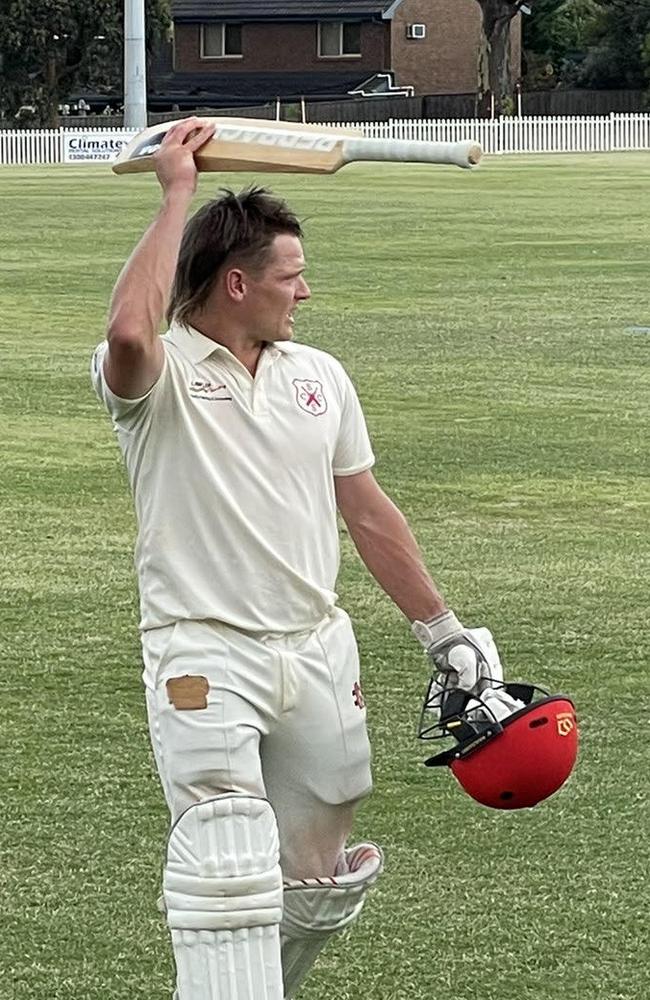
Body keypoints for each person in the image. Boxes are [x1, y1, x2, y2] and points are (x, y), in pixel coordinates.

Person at [91, 117, 502, 1000]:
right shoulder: (158, 381)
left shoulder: (320, 375)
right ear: (236, 283)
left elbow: (365, 508)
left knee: (320, 881)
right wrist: (177, 193)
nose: (305, 293)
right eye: (291, 276)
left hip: (317, 647)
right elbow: (131, 333)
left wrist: (443, 631)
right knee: (229, 864)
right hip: (204, 648)